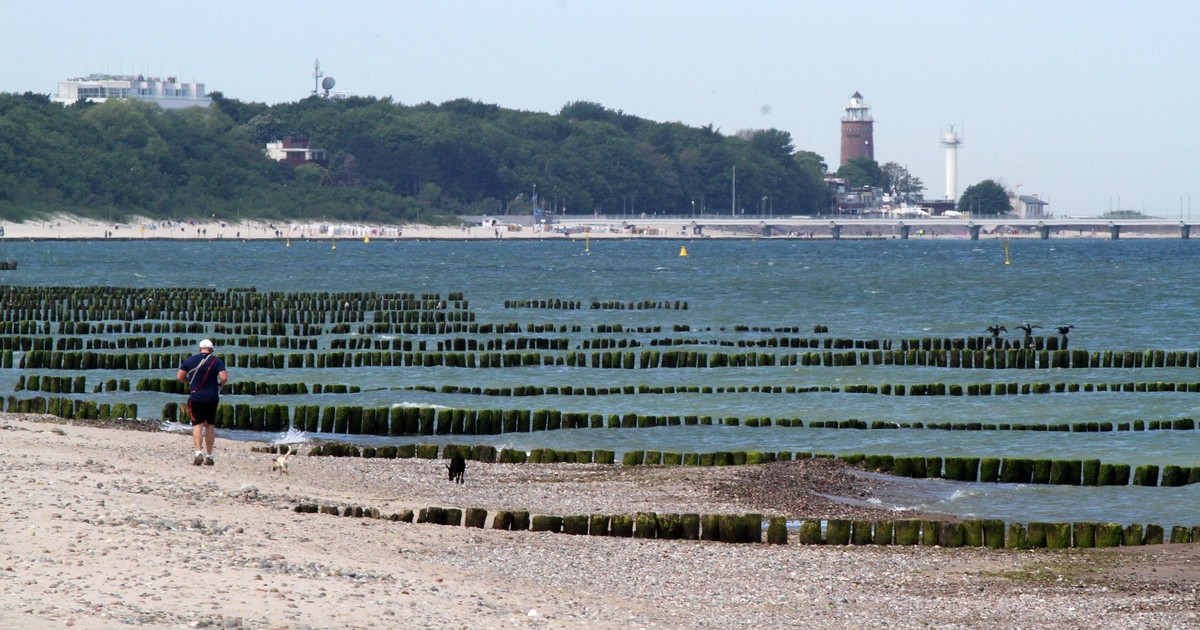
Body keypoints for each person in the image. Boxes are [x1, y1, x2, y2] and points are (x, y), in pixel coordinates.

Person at [177, 339, 228, 466]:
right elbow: (224, 377)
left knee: (197, 425)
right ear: (211, 349)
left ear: (200, 349)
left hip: (196, 396)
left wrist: (189, 382)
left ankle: (198, 453)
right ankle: (209, 456)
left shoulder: (190, 360)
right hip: (212, 397)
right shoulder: (217, 361)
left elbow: (179, 376)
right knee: (210, 425)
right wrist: (219, 385)